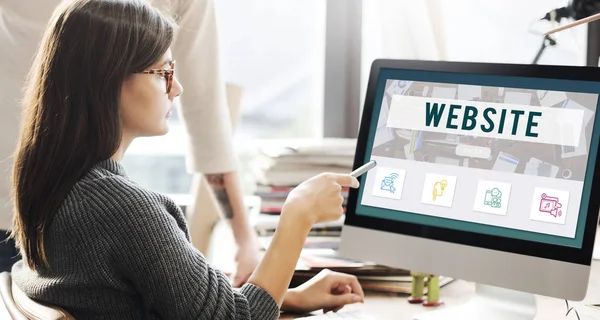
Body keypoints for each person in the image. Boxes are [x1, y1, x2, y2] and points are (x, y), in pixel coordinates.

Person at [8, 0, 365, 319]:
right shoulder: (123, 210)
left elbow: (178, 300)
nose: (176, 88)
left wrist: (287, 297)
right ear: (109, 81)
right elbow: (232, 318)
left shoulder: (54, 186)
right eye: (162, 73)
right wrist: (298, 213)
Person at [0, 0, 262, 285]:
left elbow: (206, 117)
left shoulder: (121, 207)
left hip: (37, 204)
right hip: (33, 213)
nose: (175, 88)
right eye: (163, 73)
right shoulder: (132, 214)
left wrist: (243, 239)